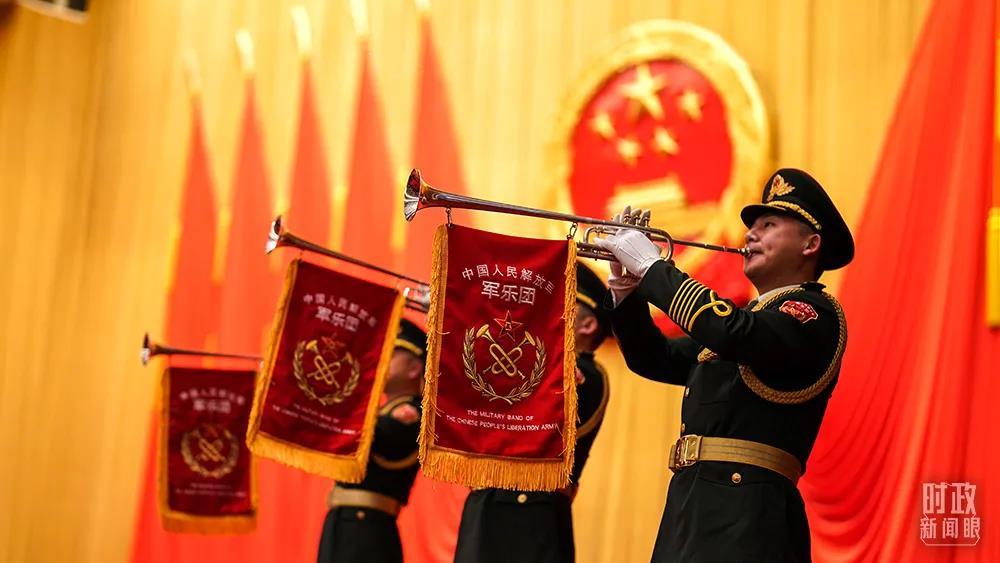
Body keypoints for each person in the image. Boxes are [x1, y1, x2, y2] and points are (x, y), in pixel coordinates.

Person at [594, 168, 854, 562]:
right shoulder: (747, 322)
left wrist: (654, 268)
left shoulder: (813, 312)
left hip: (749, 516)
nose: (750, 235)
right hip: (691, 508)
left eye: (768, 225)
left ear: (810, 244)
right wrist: (627, 289)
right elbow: (654, 359)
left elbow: (732, 332)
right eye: (752, 227)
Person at [453, 262, 613, 563]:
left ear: (587, 325)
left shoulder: (589, 376)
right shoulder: (533, 363)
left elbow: (531, 401)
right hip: (482, 510)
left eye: (560, 303)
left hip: (532, 517)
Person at [317, 319, 427, 563]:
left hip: (366, 529)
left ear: (414, 368)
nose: (381, 358)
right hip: (346, 524)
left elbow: (377, 436)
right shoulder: (381, 411)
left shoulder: (414, 412)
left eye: (392, 353)